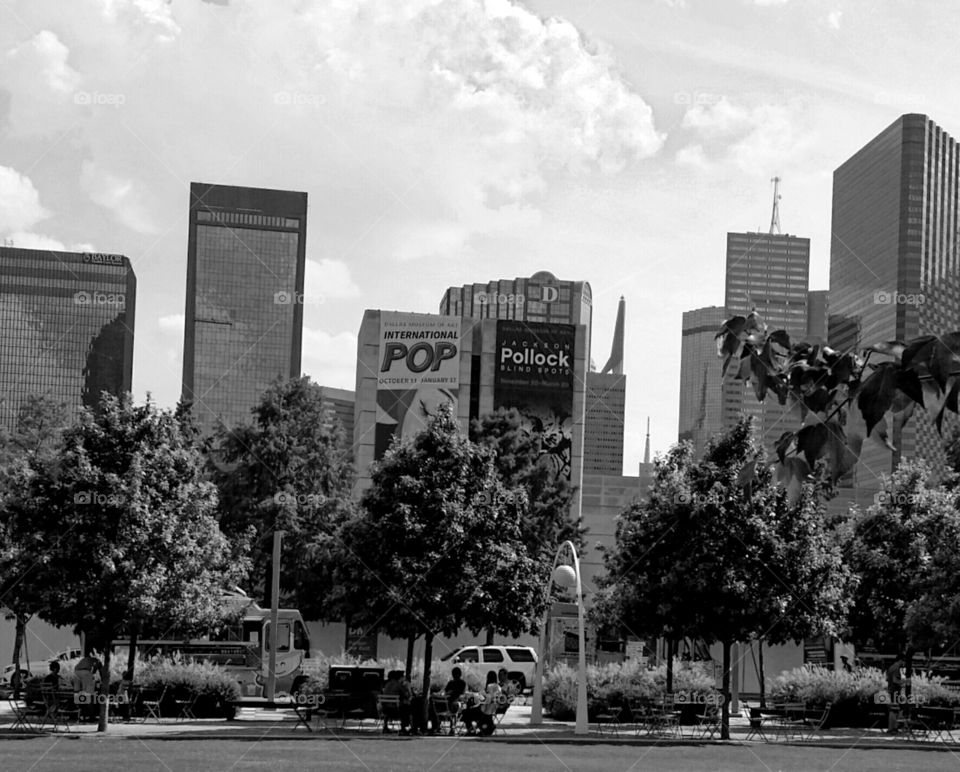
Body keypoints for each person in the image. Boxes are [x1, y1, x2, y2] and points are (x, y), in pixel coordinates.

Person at [382, 670, 413, 735]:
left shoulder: (387, 684)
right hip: (396, 710)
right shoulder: (398, 685)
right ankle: (404, 728)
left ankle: (385, 727)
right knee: (407, 708)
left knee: (404, 707)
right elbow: (407, 695)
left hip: (385, 710)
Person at [886, 654, 905, 734]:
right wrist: (904, 682)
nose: (904, 663)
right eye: (904, 661)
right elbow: (895, 680)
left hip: (891, 690)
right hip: (895, 691)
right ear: (900, 660)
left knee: (893, 710)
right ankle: (893, 728)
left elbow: (887, 679)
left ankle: (892, 727)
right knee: (895, 710)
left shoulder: (891, 667)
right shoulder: (896, 668)